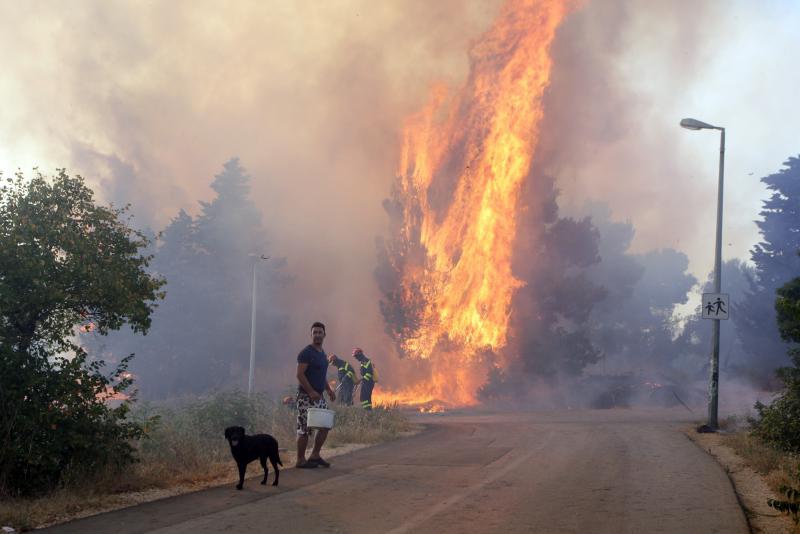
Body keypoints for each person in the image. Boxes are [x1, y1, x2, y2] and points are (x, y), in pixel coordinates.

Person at [295, 322, 336, 468]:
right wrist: (311, 391)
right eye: (315, 332)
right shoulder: (306, 352)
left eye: (320, 332)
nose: (317, 335)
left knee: (325, 425)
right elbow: (299, 374)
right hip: (306, 397)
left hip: (319, 397)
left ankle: (315, 455)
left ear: (324, 335)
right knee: (304, 429)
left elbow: (321, 375)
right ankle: (300, 460)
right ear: (311, 335)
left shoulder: (322, 353)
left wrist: (329, 390)